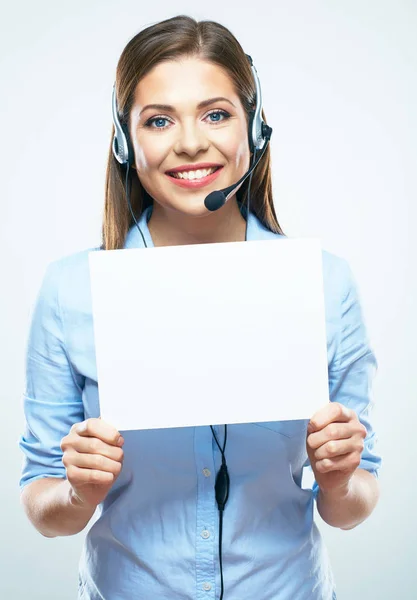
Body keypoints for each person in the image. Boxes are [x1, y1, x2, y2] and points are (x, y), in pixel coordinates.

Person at [18, 14, 381, 600]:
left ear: (254, 129)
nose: (190, 142)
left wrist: (338, 481)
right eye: (159, 120)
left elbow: (354, 503)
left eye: (216, 114)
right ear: (124, 140)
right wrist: (78, 492)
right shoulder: (70, 290)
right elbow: (43, 504)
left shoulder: (324, 284)